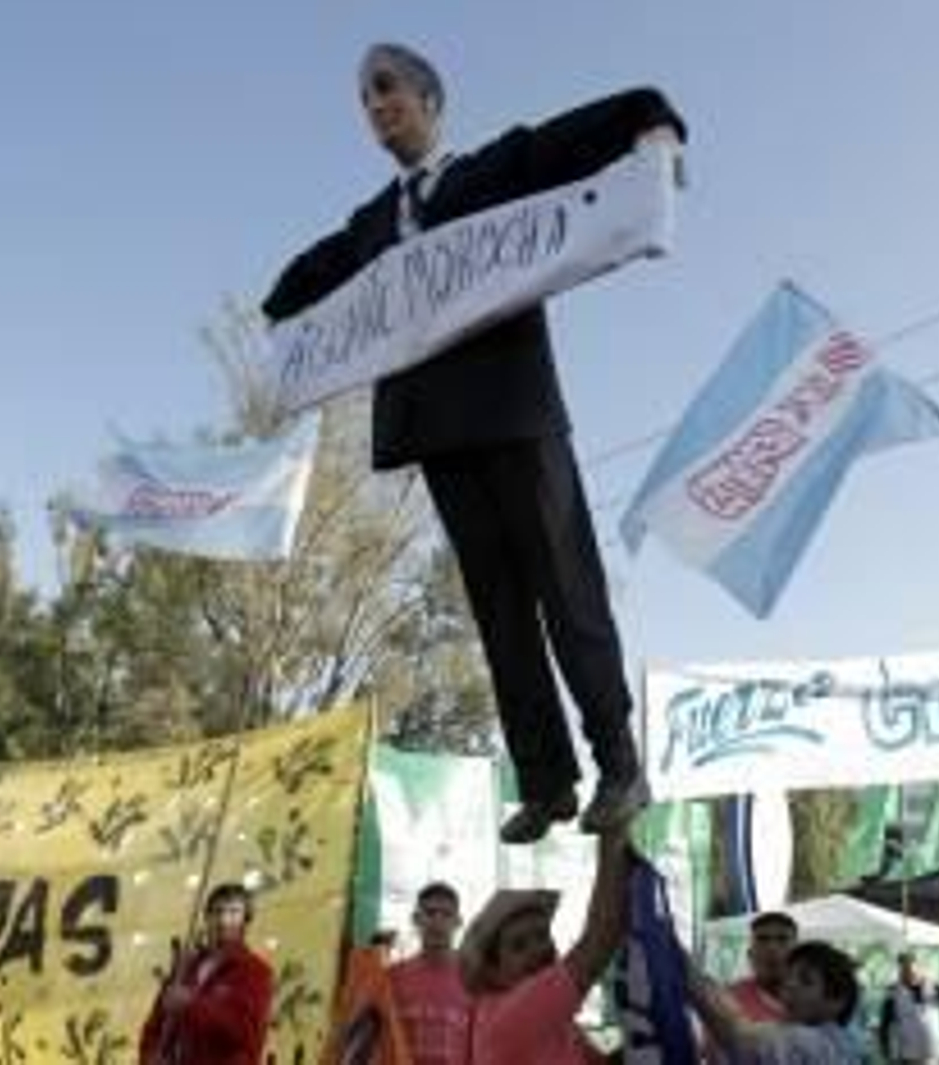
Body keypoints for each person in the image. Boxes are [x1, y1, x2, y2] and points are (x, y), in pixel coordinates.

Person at [261, 43, 687, 844]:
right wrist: (283, 324)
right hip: (438, 430)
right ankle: (546, 779)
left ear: (429, 98)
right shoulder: (370, 226)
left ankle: (618, 761)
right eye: (364, 98)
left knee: (567, 587)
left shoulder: (492, 172)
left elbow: (587, 130)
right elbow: (297, 286)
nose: (374, 107)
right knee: (497, 609)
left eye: (386, 89)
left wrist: (652, 121)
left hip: (518, 412)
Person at [457, 814, 637, 1063]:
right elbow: (599, 941)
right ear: (492, 972)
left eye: (542, 935)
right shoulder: (512, 1016)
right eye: (519, 945)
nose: (539, 949)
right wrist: (614, 830)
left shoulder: (549, 1018)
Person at [139, 882, 274, 1065]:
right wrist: (150, 1056)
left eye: (234, 912)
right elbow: (156, 1023)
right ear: (206, 917)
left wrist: (192, 1005)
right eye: (217, 912)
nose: (223, 920)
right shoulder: (184, 968)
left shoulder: (255, 971)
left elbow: (246, 1032)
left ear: (245, 920)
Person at [685, 939, 864, 1064]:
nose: (790, 984)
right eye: (789, 976)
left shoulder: (815, 1045)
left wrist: (681, 964)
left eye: (806, 980)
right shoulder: (837, 1039)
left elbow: (735, 1034)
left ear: (836, 1001)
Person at [388, 882, 470, 1065]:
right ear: (416, 919)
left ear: (458, 922)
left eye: (446, 914)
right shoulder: (392, 978)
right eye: (430, 913)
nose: (438, 922)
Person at [877, 951, 939, 1064]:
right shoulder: (893, 995)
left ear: (918, 967)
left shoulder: (933, 987)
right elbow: (884, 1026)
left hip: (936, 1056)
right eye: (904, 968)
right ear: (899, 970)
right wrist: (886, 1052)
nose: (909, 972)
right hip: (911, 1058)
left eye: (911, 967)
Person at [727, 912, 799, 1023]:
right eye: (762, 939)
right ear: (750, 954)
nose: (772, 948)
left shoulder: (818, 1000)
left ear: (798, 954)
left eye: (782, 939)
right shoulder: (728, 999)